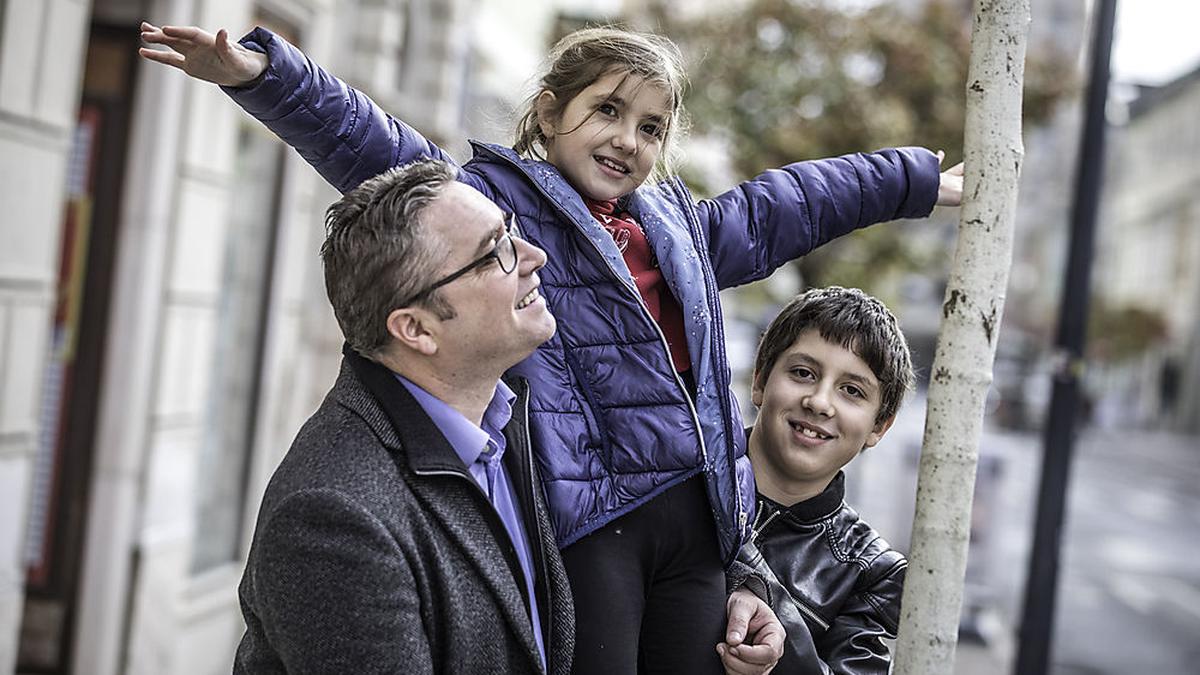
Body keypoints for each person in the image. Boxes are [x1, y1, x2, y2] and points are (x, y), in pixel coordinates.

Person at [140, 22, 962, 674]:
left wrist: (917, 181)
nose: (627, 140)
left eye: (650, 127)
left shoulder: (677, 229)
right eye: (606, 110)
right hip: (593, 520)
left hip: (699, 515)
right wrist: (267, 77)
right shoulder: (497, 206)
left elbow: (796, 202)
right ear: (546, 111)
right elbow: (372, 145)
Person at [234, 158, 572, 673]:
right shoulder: (330, 518)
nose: (533, 256)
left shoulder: (504, 427)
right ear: (416, 329)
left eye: (511, 232)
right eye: (493, 254)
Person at [741, 286, 916, 673]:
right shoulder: (679, 473)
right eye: (803, 373)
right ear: (760, 381)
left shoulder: (870, 570)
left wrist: (771, 616)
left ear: (879, 427)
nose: (820, 402)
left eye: (851, 391)